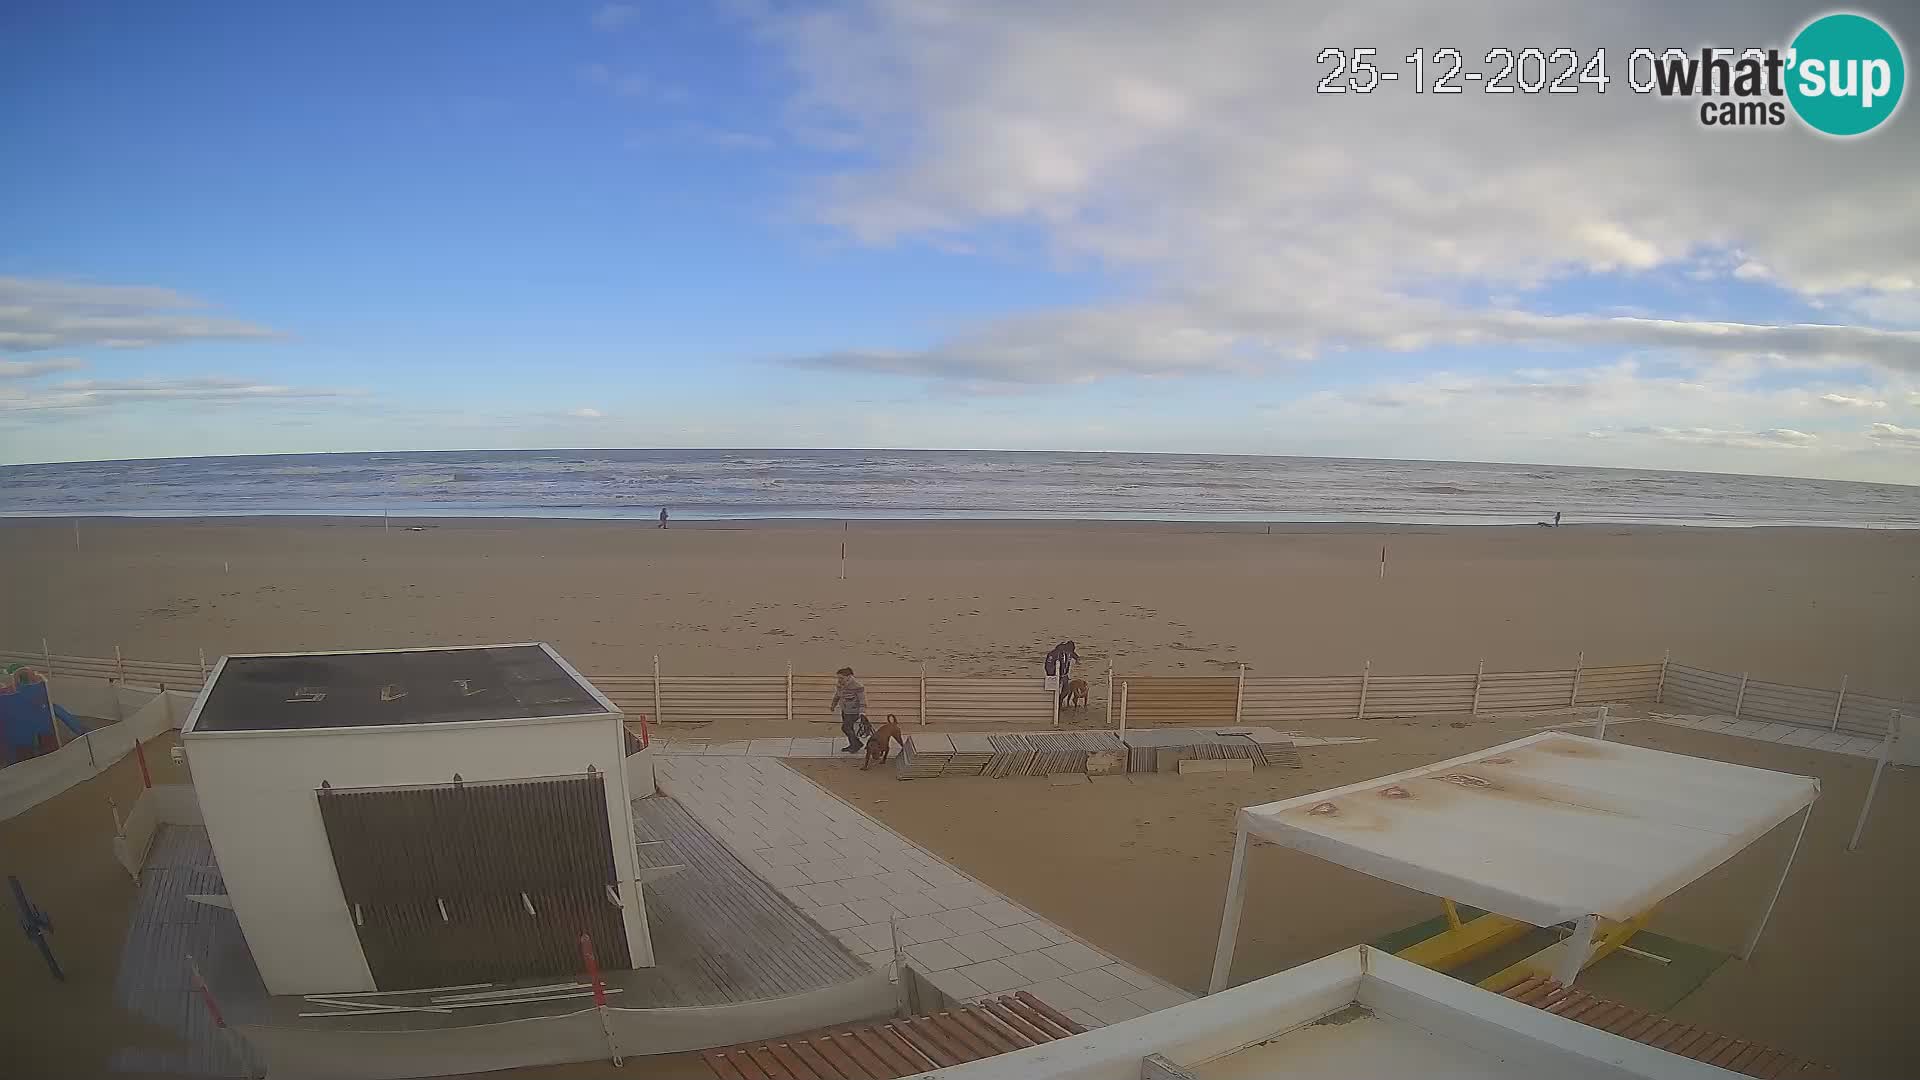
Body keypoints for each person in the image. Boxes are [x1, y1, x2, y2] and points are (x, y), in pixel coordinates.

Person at [830, 667, 867, 753]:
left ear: (849, 677)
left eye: (841, 678)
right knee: (849, 728)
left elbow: (862, 699)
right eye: (838, 677)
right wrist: (833, 704)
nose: (839, 680)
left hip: (854, 711)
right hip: (845, 710)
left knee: (846, 728)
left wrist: (862, 712)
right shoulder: (840, 684)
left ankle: (856, 745)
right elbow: (837, 695)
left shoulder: (857, 686)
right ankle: (854, 744)